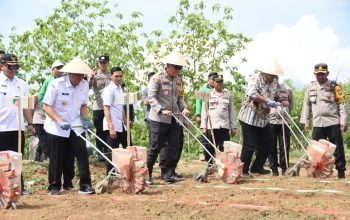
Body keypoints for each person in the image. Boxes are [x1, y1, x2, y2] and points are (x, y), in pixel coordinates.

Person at [43, 56, 95, 195]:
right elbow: (47, 106)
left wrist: (86, 119)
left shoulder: (84, 85)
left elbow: (83, 105)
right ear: (70, 73)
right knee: (57, 156)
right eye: (78, 75)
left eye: (82, 75)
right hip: (56, 126)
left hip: (76, 124)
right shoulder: (55, 84)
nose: (80, 78)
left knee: (82, 153)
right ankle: (54, 186)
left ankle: (85, 184)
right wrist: (59, 121)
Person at [238, 59, 286, 178]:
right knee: (249, 145)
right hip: (249, 116)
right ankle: (243, 170)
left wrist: (279, 99)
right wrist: (266, 100)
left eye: (274, 74)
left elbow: (276, 94)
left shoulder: (274, 81)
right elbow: (252, 94)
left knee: (269, 142)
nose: (273, 76)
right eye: (271, 74)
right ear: (265, 72)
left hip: (264, 117)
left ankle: (257, 167)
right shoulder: (255, 79)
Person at [147, 51, 190, 184]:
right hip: (159, 118)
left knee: (175, 144)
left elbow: (180, 98)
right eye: (176, 67)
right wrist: (161, 110)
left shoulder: (179, 79)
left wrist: (184, 108)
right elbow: (151, 98)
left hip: (174, 118)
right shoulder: (157, 78)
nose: (178, 70)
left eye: (180, 68)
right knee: (155, 146)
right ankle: (146, 173)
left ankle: (169, 172)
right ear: (168, 65)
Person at [300, 63, 348, 178]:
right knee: (315, 149)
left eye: (322, 74)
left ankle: (341, 171)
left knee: (337, 148)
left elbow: (342, 104)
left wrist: (343, 121)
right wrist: (306, 121)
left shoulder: (335, 86)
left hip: (333, 122)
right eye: (318, 74)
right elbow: (306, 105)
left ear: (327, 73)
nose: (320, 76)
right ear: (314, 74)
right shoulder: (310, 87)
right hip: (317, 123)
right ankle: (314, 172)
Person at [0, 53, 34, 195]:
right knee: (1, 161)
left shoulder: (22, 84)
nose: (13, 70)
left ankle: (17, 187)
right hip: (1, 127)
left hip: (17, 127)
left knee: (16, 160)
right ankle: (2, 189)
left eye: (16, 67)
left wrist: (30, 123)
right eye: (10, 67)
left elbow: (25, 106)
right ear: (1, 66)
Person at [200, 74, 237, 163]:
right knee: (209, 147)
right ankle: (209, 166)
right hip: (212, 126)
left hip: (224, 125)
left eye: (221, 81)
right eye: (218, 82)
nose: (220, 84)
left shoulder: (227, 94)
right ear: (213, 83)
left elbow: (231, 111)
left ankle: (223, 166)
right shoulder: (207, 94)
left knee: (224, 148)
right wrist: (203, 126)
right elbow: (204, 111)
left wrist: (233, 126)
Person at [33, 60, 64, 161]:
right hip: (47, 113)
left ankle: (43, 157)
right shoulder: (49, 81)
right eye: (58, 68)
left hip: (59, 113)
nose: (60, 70)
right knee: (45, 137)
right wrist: (46, 109)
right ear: (52, 70)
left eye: (61, 68)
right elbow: (41, 96)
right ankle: (49, 157)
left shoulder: (65, 80)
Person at [102, 66, 126, 174]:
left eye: (120, 76)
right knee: (112, 151)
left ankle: (126, 171)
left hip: (121, 125)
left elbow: (121, 108)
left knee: (128, 147)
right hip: (112, 125)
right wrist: (111, 127)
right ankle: (110, 175)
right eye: (116, 76)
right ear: (111, 76)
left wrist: (126, 121)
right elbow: (106, 108)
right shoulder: (109, 90)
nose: (119, 78)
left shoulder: (120, 88)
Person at [267, 81, 293, 176]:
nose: (274, 80)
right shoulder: (266, 89)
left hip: (284, 121)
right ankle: (274, 169)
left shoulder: (287, 89)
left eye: (275, 78)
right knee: (271, 146)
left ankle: (284, 168)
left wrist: (286, 114)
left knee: (284, 146)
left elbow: (290, 104)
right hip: (271, 121)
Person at [89, 55, 111, 161]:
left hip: (110, 107)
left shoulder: (111, 75)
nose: (103, 64)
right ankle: (100, 153)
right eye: (101, 62)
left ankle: (108, 151)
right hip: (98, 106)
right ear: (98, 63)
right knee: (99, 130)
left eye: (105, 62)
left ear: (108, 63)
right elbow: (88, 87)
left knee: (109, 129)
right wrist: (91, 77)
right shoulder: (95, 75)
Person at [195, 72, 218, 161]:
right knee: (203, 134)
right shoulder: (203, 89)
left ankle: (214, 153)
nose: (214, 82)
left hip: (214, 117)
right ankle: (202, 152)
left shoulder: (218, 89)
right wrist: (198, 115)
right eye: (213, 80)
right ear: (209, 80)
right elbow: (198, 102)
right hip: (205, 116)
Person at [142, 72, 156, 148]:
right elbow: (145, 102)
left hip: (159, 115)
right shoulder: (146, 90)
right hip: (149, 116)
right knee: (152, 136)